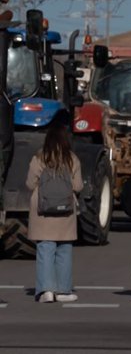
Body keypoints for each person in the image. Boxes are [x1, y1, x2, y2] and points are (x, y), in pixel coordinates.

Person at [26, 123, 84, 303]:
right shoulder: (72, 159)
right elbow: (78, 186)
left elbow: (29, 183)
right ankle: (63, 291)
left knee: (45, 248)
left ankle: (46, 290)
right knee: (64, 249)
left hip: (42, 210)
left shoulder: (39, 157)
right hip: (65, 210)